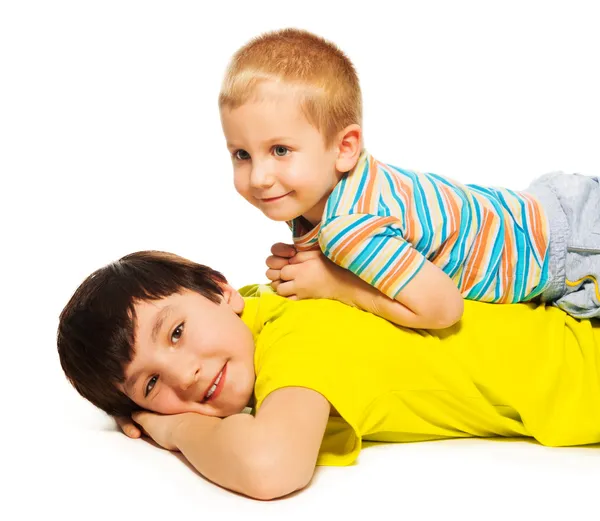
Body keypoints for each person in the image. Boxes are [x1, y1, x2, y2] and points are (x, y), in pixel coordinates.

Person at [58, 250, 600, 500]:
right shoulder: (260, 314)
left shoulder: (300, 335)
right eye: (151, 385)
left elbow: (270, 467)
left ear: (221, 291)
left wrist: (172, 429)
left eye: (175, 333)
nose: (187, 375)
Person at [218, 28, 600, 329]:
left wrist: (334, 286)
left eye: (280, 150)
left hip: (574, 252)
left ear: (345, 147)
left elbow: (444, 308)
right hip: (556, 211)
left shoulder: (347, 230)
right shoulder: (321, 195)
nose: (260, 177)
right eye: (242, 154)